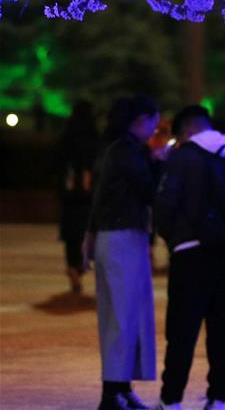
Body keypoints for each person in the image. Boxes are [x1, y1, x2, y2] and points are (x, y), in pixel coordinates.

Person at [153, 105, 225, 410]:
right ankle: (218, 398)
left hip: (190, 254)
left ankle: (171, 401)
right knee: (224, 329)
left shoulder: (183, 157)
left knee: (182, 330)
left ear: (187, 131)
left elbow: (164, 206)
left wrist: (173, 238)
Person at [83, 96, 161, 410]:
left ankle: (120, 389)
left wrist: (89, 234)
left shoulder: (114, 148)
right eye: (154, 121)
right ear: (140, 120)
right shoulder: (126, 151)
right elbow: (150, 190)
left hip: (113, 237)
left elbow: (98, 197)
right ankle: (113, 393)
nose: (156, 127)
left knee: (121, 315)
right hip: (122, 238)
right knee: (123, 316)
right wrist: (160, 161)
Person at [56, 99, 99, 294]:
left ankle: (73, 266)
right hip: (88, 196)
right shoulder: (94, 138)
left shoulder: (66, 138)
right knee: (85, 232)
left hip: (69, 196)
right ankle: (80, 266)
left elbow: (56, 165)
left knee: (71, 235)